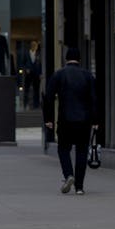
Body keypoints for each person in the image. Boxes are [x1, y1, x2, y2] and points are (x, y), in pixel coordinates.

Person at [43, 46, 99, 195]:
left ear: (66, 59)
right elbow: (94, 99)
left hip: (65, 119)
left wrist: (48, 119)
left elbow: (48, 98)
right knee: (81, 151)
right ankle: (79, 187)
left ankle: (69, 175)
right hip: (84, 120)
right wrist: (95, 120)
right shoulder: (88, 76)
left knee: (63, 149)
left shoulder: (58, 75)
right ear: (79, 59)